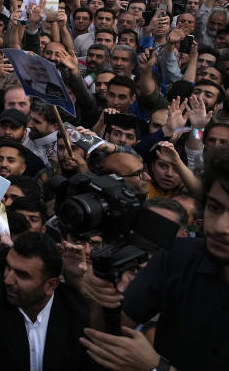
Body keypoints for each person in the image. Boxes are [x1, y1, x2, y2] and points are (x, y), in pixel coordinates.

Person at [81, 152, 229, 370]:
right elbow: (109, 338)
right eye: (215, 208)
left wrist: (155, 367)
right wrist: (102, 294)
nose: (220, 227)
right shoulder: (178, 256)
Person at [0, 232, 90, 371]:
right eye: (8, 267)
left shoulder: (75, 310)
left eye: (22, 275)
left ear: (51, 285)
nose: (8, 280)